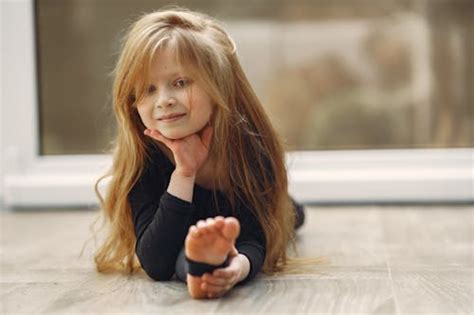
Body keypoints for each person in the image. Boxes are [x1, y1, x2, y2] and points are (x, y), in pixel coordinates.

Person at [93, 7, 307, 299]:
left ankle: (213, 258)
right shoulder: (143, 158)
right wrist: (185, 172)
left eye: (180, 83)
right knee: (184, 249)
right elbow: (156, 262)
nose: (164, 100)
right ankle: (201, 267)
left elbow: (255, 237)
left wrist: (238, 268)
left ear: (219, 85)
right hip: (190, 235)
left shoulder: (251, 149)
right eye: (148, 89)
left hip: (246, 217)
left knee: (292, 215)